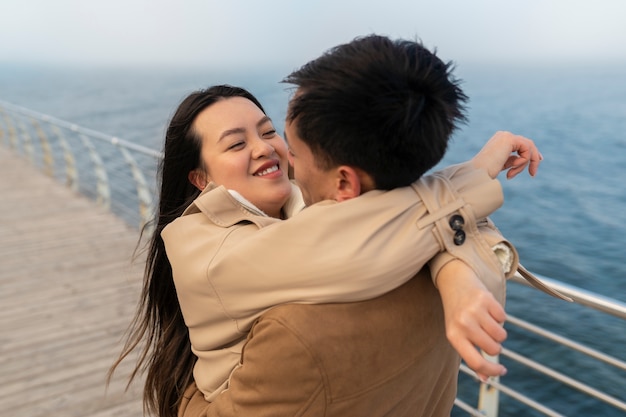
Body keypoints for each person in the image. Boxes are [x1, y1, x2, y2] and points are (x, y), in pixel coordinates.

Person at [110, 36, 546, 417]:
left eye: (271, 134)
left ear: (343, 183)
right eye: (237, 144)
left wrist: (454, 268)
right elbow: (396, 224)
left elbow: (387, 220)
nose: (273, 153)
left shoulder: (311, 218)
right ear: (200, 180)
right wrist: (461, 237)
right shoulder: (211, 251)